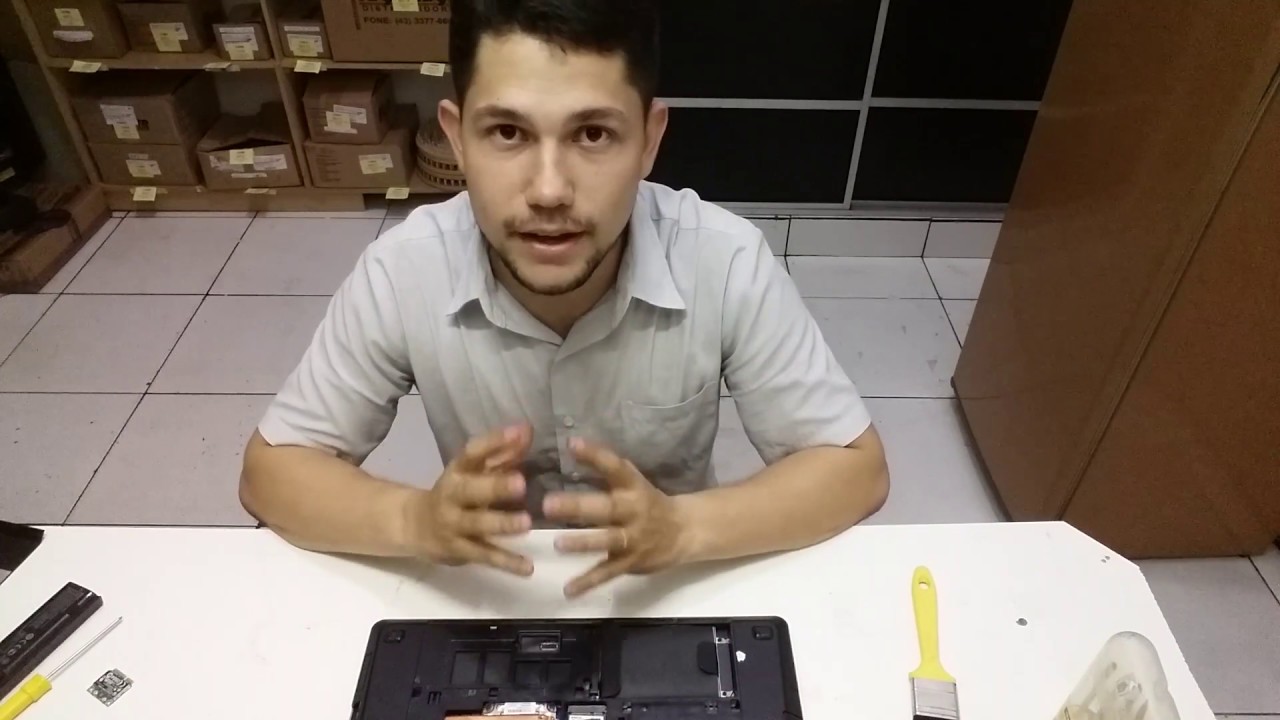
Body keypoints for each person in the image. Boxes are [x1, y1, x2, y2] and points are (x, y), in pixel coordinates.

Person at [239, 0, 889, 597]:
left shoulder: (724, 260)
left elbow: (854, 470)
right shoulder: (402, 270)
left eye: (593, 135)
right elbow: (271, 473)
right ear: (458, 137)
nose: (549, 191)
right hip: (486, 593)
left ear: (649, 140)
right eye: (508, 133)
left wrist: (685, 528)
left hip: (664, 586)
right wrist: (413, 520)